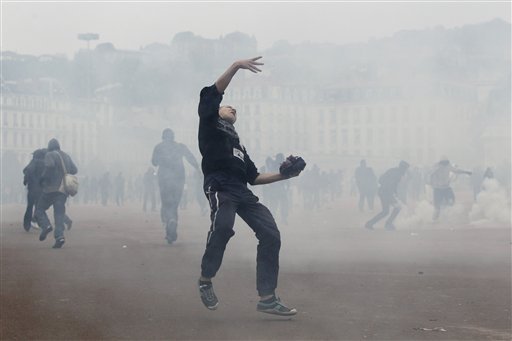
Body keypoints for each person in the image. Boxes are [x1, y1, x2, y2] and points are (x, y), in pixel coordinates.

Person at [196, 57, 302, 316]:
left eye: (235, 110)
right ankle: (205, 279)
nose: (233, 109)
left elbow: (254, 177)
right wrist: (235, 66)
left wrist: (285, 175)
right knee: (222, 227)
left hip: (242, 191)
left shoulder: (238, 146)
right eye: (228, 107)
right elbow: (215, 92)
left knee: (271, 234)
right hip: (220, 186)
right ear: (218, 110)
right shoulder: (209, 124)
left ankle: (267, 297)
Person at [152, 128, 199, 244]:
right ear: (173, 136)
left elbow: (154, 162)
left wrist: (161, 158)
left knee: (166, 203)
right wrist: (198, 168)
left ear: (163, 137)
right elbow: (191, 158)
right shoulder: (180, 146)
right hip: (179, 178)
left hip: (164, 179)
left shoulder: (159, 147)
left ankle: (169, 223)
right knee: (174, 204)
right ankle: (172, 222)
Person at [34, 138, 77, 248]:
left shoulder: (50, 154)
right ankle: (59, 237)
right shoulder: (66, 156)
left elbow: (50, 166)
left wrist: (42, 179)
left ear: (50, 147)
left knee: (39, 209)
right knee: (59, 214)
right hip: (62, 191)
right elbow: (74, 170)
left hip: (50, 189)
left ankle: (46, 225)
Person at [23, 148, 73, 232]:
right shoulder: (48, 162)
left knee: (32, 207)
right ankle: (65, 221)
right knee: (55, 206)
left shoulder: (35, 161)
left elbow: (27, 170)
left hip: (33, 188)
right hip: (45, 188)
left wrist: (27, 180)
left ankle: (28, 224)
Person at [365, 160, 409, 230]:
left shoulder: (394, 171)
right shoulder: (397, 173)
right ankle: (388, 224)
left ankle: (370, 223)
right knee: (397, 208)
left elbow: (388, 183)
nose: (406, 171)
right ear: (403, 168)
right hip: (386, 193)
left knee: (386, 211)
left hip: (384, 192)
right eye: (406, 169)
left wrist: (395, 194)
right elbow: (390, 185)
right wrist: (392, 195)